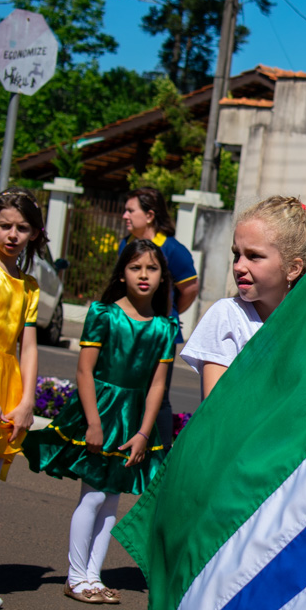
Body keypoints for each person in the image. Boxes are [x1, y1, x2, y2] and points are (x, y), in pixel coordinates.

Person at [22, 239, 178, 604]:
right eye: (135, 267)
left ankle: (93, 576)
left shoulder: (165, 328)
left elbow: (157, 386)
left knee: (112, 501)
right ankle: (76, 576)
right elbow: (84, 370)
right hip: (102, 413)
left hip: (132, 421)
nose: (143, 275)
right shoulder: (104, 314)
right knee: (92, 496)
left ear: (161, 276)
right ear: (122, 273)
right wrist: (93, 422)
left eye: (152, 269)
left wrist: (143, 432)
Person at [181, 196, 306, 398]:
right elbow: (214, 409)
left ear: (293, 268)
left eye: (254, 256)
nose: (238, 266)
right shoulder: (228, 316)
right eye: (237, 254)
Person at [121, 187, 197, 451]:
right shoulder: (126, 244)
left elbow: (189, 289)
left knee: (159, 396)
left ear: (150, 215)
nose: (125, 216)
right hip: (127, 331)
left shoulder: (173, 250)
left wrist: (169, 312)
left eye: (131, 210)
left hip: (159, 334)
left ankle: (162, 457)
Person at [0, 189, 46, 609]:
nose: (13, 234)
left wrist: (27, 400)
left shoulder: (29, 285)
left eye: (22, 228)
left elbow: (28, 346)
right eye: (5, 225)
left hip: (7, 384)